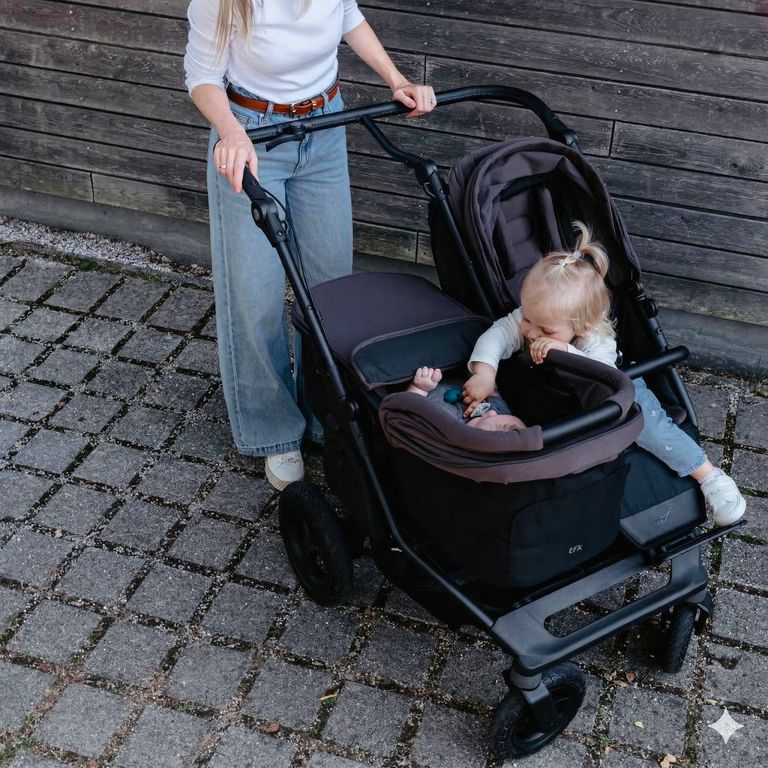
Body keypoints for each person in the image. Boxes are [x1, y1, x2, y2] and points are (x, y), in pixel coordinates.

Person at [184, 0, 436, 490]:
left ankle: (328, 414)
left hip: (323, 126)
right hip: (250, 134)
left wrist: (396, 79)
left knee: (330, 287)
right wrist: (232, 134)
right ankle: (273, 431)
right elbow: (201, 76)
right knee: (254, 294)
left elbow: (348, 19)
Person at [410, 221, 746, 527]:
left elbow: (601, 377)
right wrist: (485, 371)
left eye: (542, 327)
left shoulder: (597, 340)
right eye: (526, 318)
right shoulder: (532, 320)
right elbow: (498, 334)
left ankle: (710, 476)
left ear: (580, 327)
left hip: (611, 394)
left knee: (651, 426)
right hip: (557, 400)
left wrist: (562, 352)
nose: (528, 330)